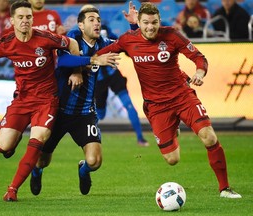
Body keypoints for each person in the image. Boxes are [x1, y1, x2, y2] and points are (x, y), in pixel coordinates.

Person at [0, 0, 117, 202]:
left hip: (48, 102)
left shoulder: (46, 38)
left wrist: (77, 70)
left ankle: (13, 189)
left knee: (44, 140)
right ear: (12, 21)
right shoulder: (7, 41)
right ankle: (20, 152)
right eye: (20, 17)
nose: (25, 21)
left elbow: (71, 44)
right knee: (5, 147)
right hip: (23, 101)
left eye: (28, 17)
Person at [96, 2, 242, 199]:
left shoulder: (171, 35)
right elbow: (101, 53)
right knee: (172, 159)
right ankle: (174, 128)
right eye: (146, 22)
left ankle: (225, 188)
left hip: (182, 96)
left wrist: (200, 71)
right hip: (156, 106)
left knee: (209, 136)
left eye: (154, 22)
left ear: (159, 21)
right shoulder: (127, 40)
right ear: (138, 22)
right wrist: (93, 60)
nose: (150, 27)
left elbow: (199, 57)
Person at [29, 6, 120, 196]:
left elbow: (128, 44)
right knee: (42, 160)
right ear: (81, 25)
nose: (97, 22)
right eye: (91, 19)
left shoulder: (103, 43)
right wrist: (93, 61)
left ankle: (83, 170)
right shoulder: (72, 39)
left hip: (84, 113)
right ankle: (37, 172)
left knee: (95, 161)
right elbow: (62, 62)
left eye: (98, 19)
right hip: (59, 111)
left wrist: (136, 24)